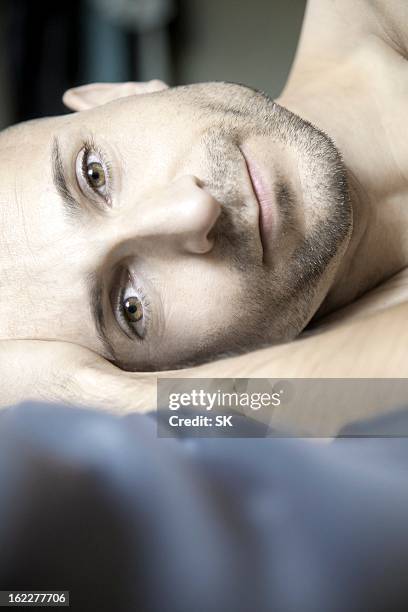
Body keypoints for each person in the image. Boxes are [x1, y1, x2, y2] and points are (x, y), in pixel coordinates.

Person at [1, 0, 408, 421]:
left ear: (121, 92)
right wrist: (121, 401)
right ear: (179, 372)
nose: (194, 210)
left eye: (94, 174)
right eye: (131, 307)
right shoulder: (363, 420)